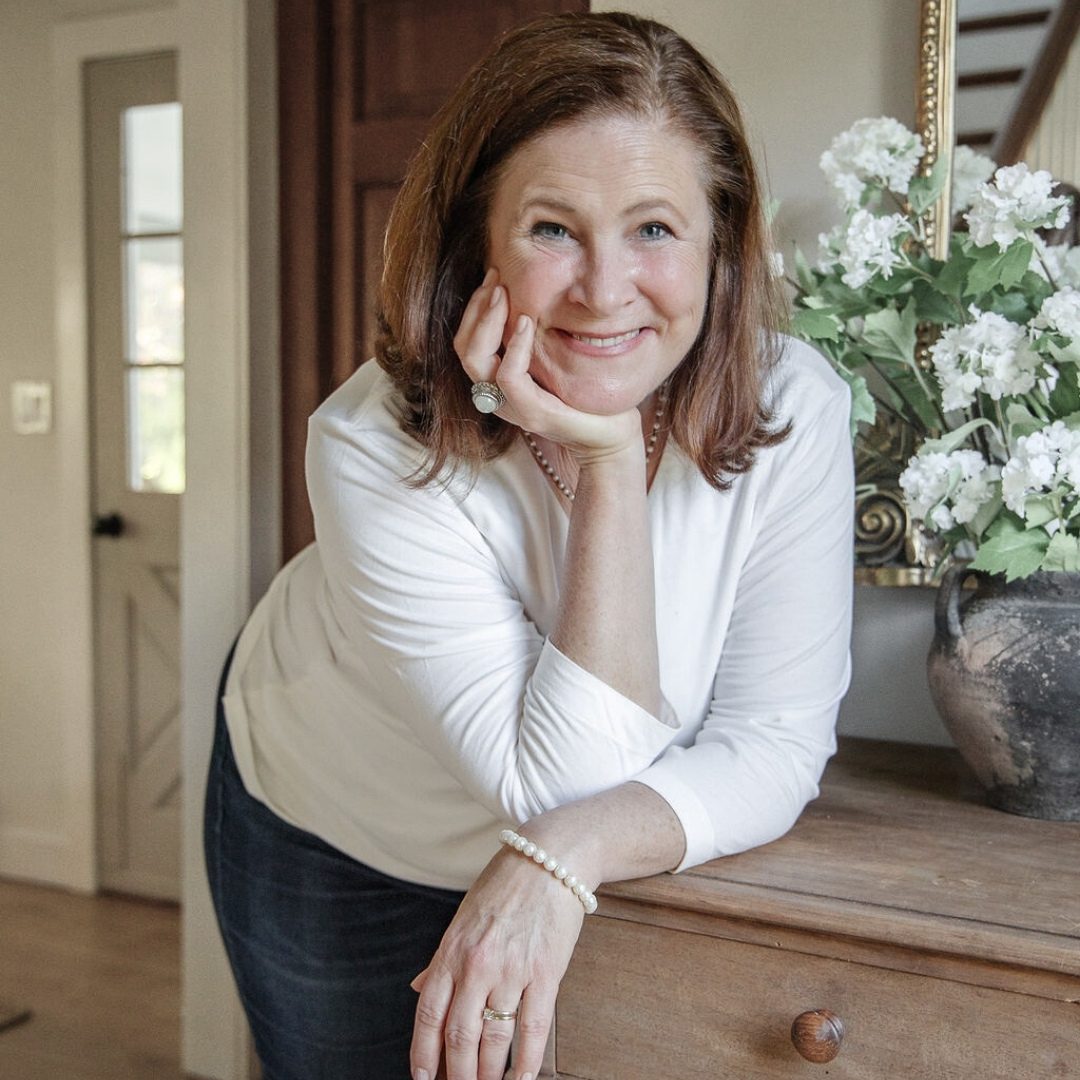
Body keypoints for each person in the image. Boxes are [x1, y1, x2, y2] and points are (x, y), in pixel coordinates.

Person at [203, 11, 854, 1080]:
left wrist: (568, 856)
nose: (604, 290)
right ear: (478, 247)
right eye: (553, 229)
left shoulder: (799, 410)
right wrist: (606, 465)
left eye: (655, 229)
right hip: (342, 830)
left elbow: (776, 746)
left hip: (584, 854)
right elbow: (565, 777)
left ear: (720, 247)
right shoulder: (374, 444)